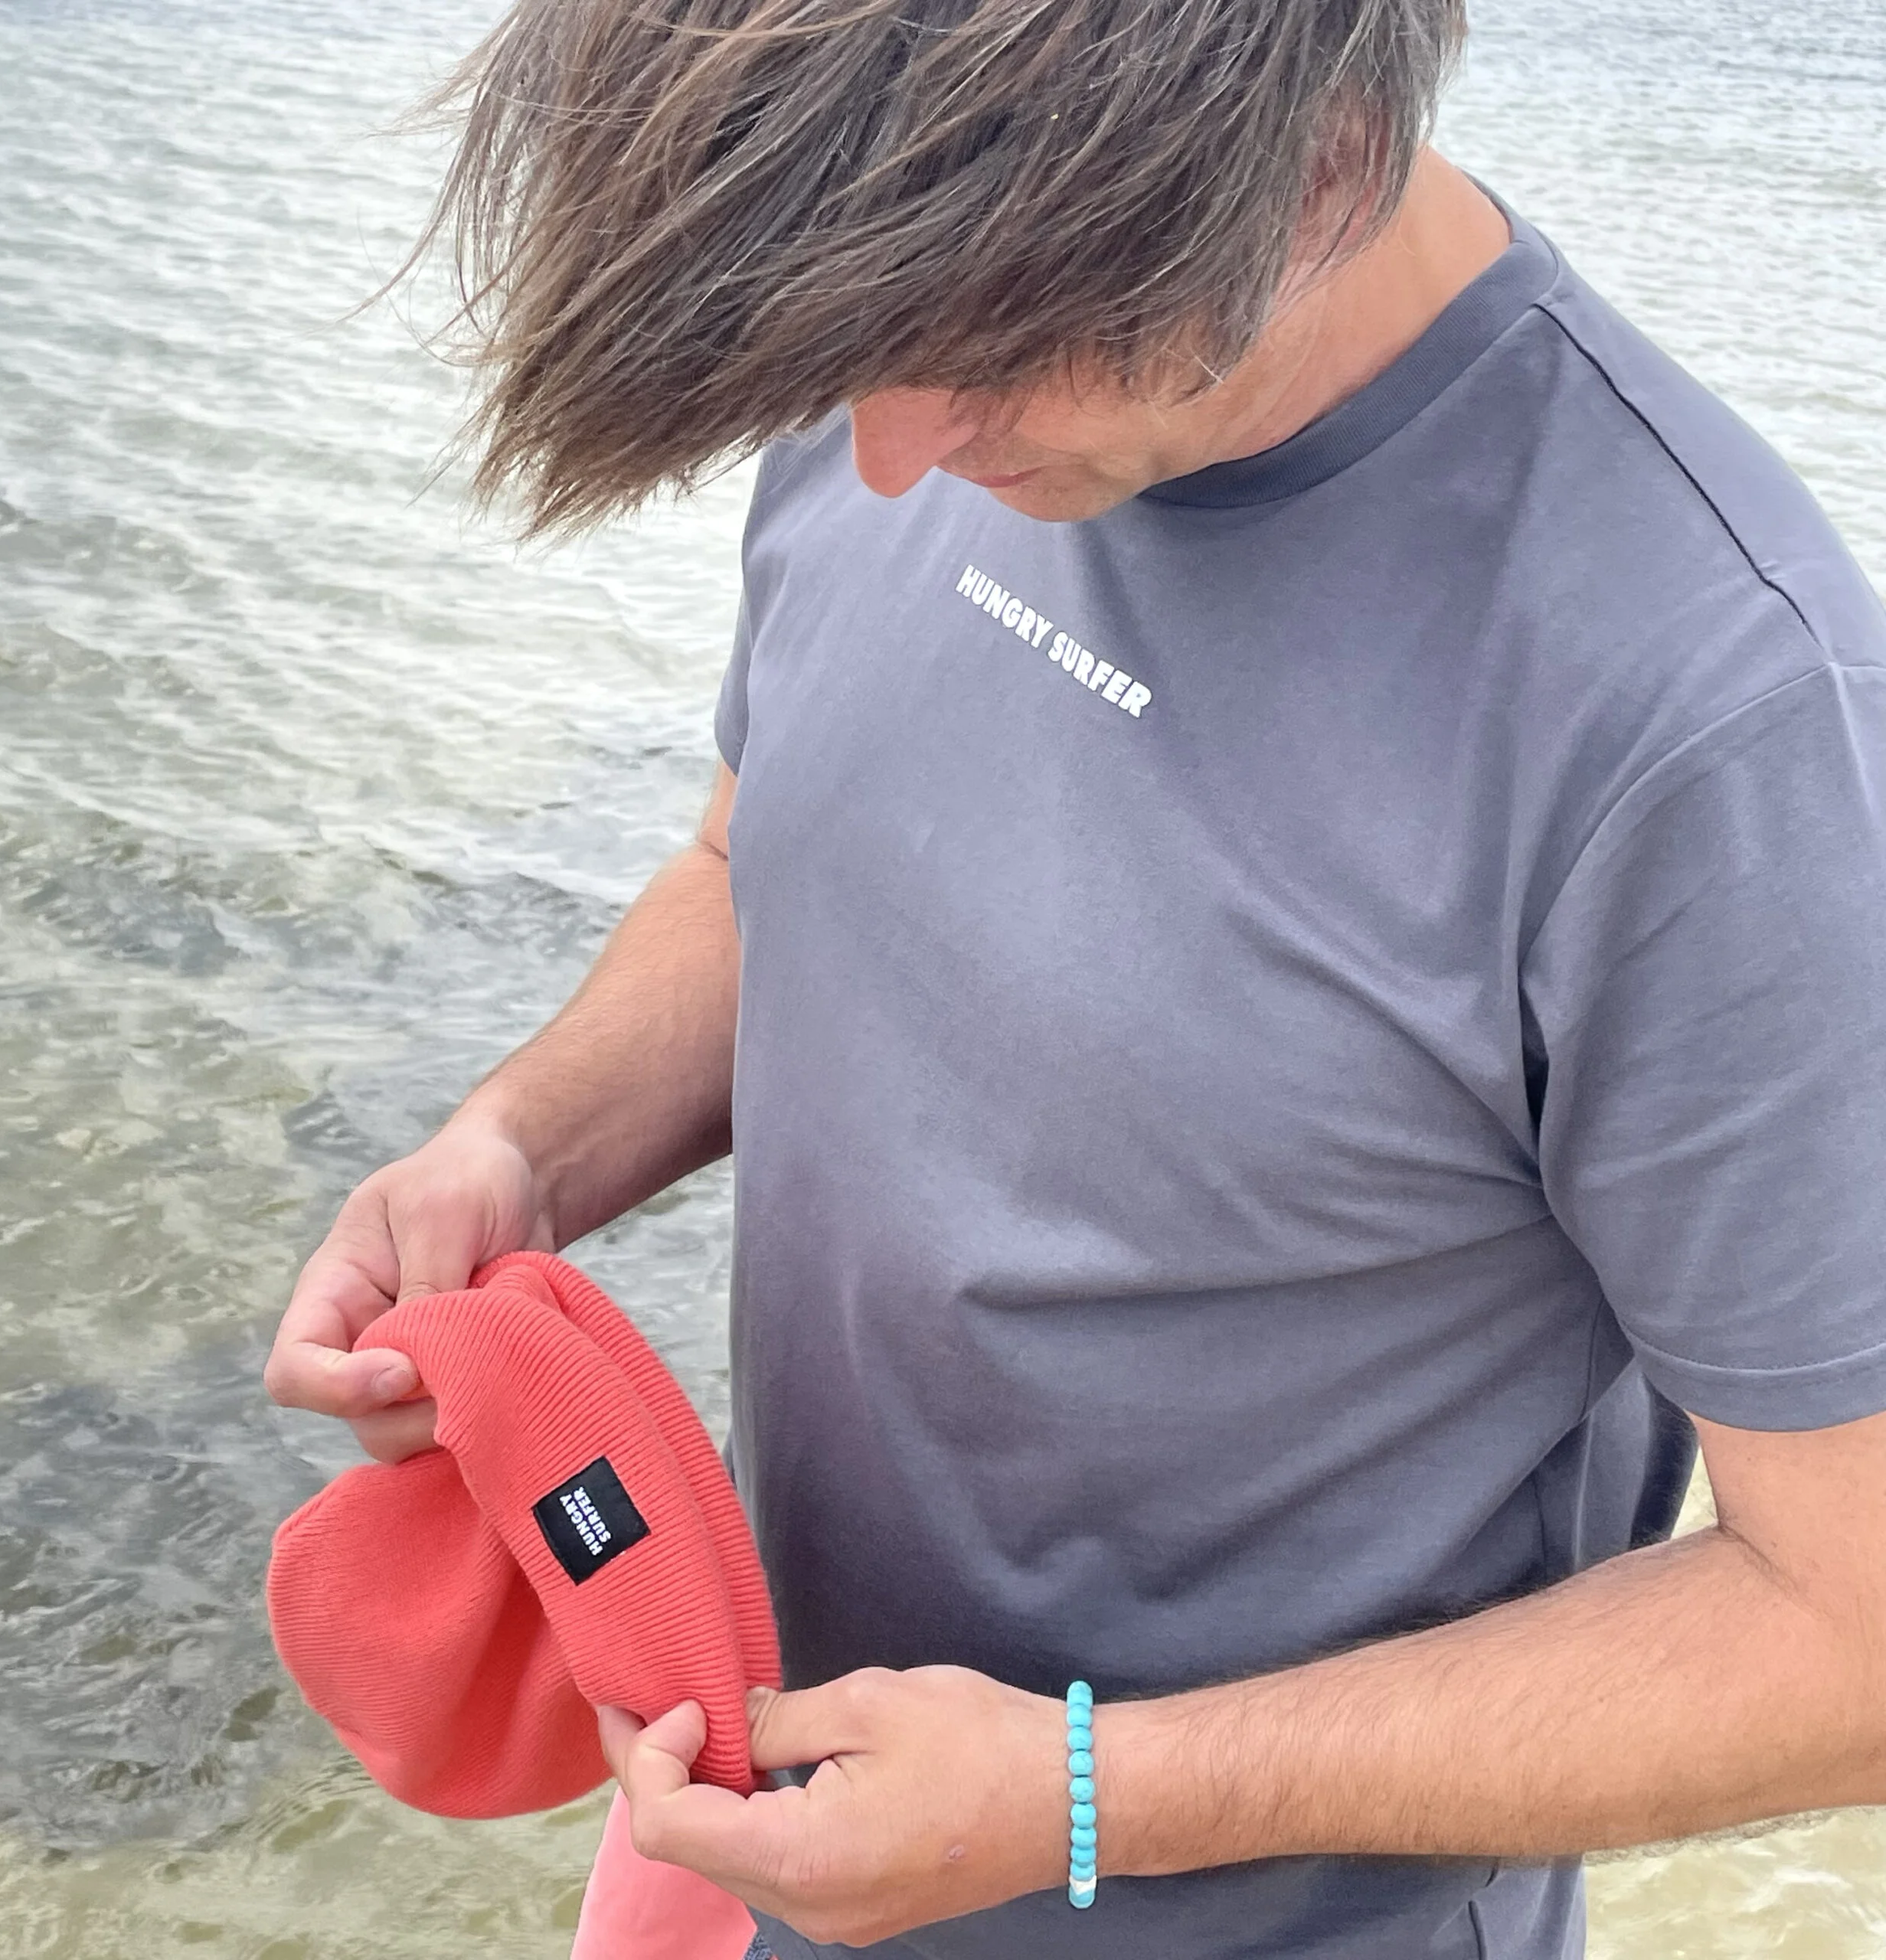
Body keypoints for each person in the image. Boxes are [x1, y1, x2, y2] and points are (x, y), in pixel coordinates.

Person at [263, 1, 1886, 1955]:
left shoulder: (1714, 712)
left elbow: (1849, 1631)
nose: (885, 459)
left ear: (1320, 151)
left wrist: (1093, 1799)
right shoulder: (888, 303)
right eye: (852, 362)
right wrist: (526, 1140)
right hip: (765, 1870)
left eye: (979, 351)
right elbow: (757, 867)